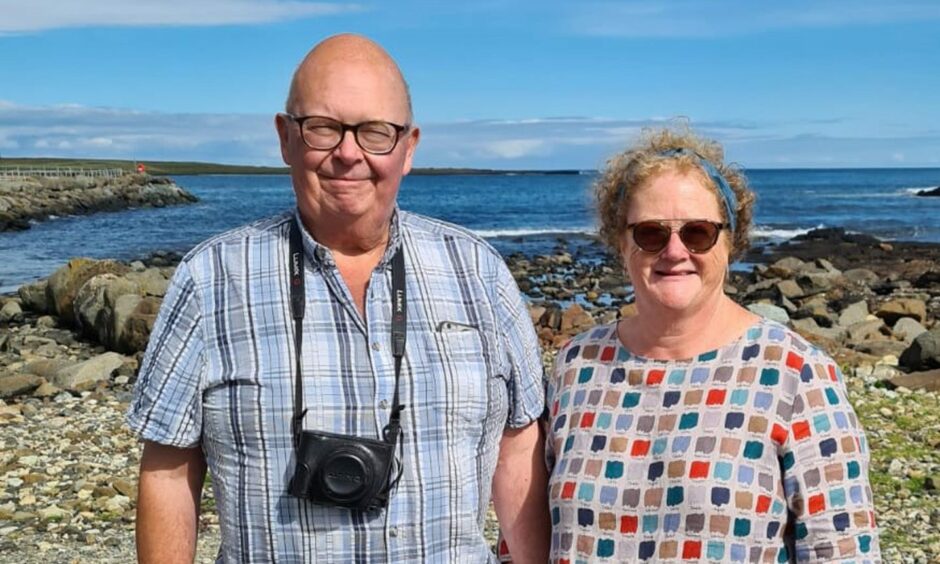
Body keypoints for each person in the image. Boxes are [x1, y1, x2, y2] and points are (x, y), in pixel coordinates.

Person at [127, 33, 550, 563]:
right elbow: (169, 467)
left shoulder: (479, 272)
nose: (349, 154)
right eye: (323, 128)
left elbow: (517, 451)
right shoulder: (210, 278)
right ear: (285, 138)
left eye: (375, 132)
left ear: (409, 148)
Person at [545, 126, 880, 562]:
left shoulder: (796, 374)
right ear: (620, 241)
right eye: (650, 233)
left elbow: (843, 552)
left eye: (698, 232)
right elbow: (529, 535)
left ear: (731, 239)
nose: (674, 250)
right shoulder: (575, 366)